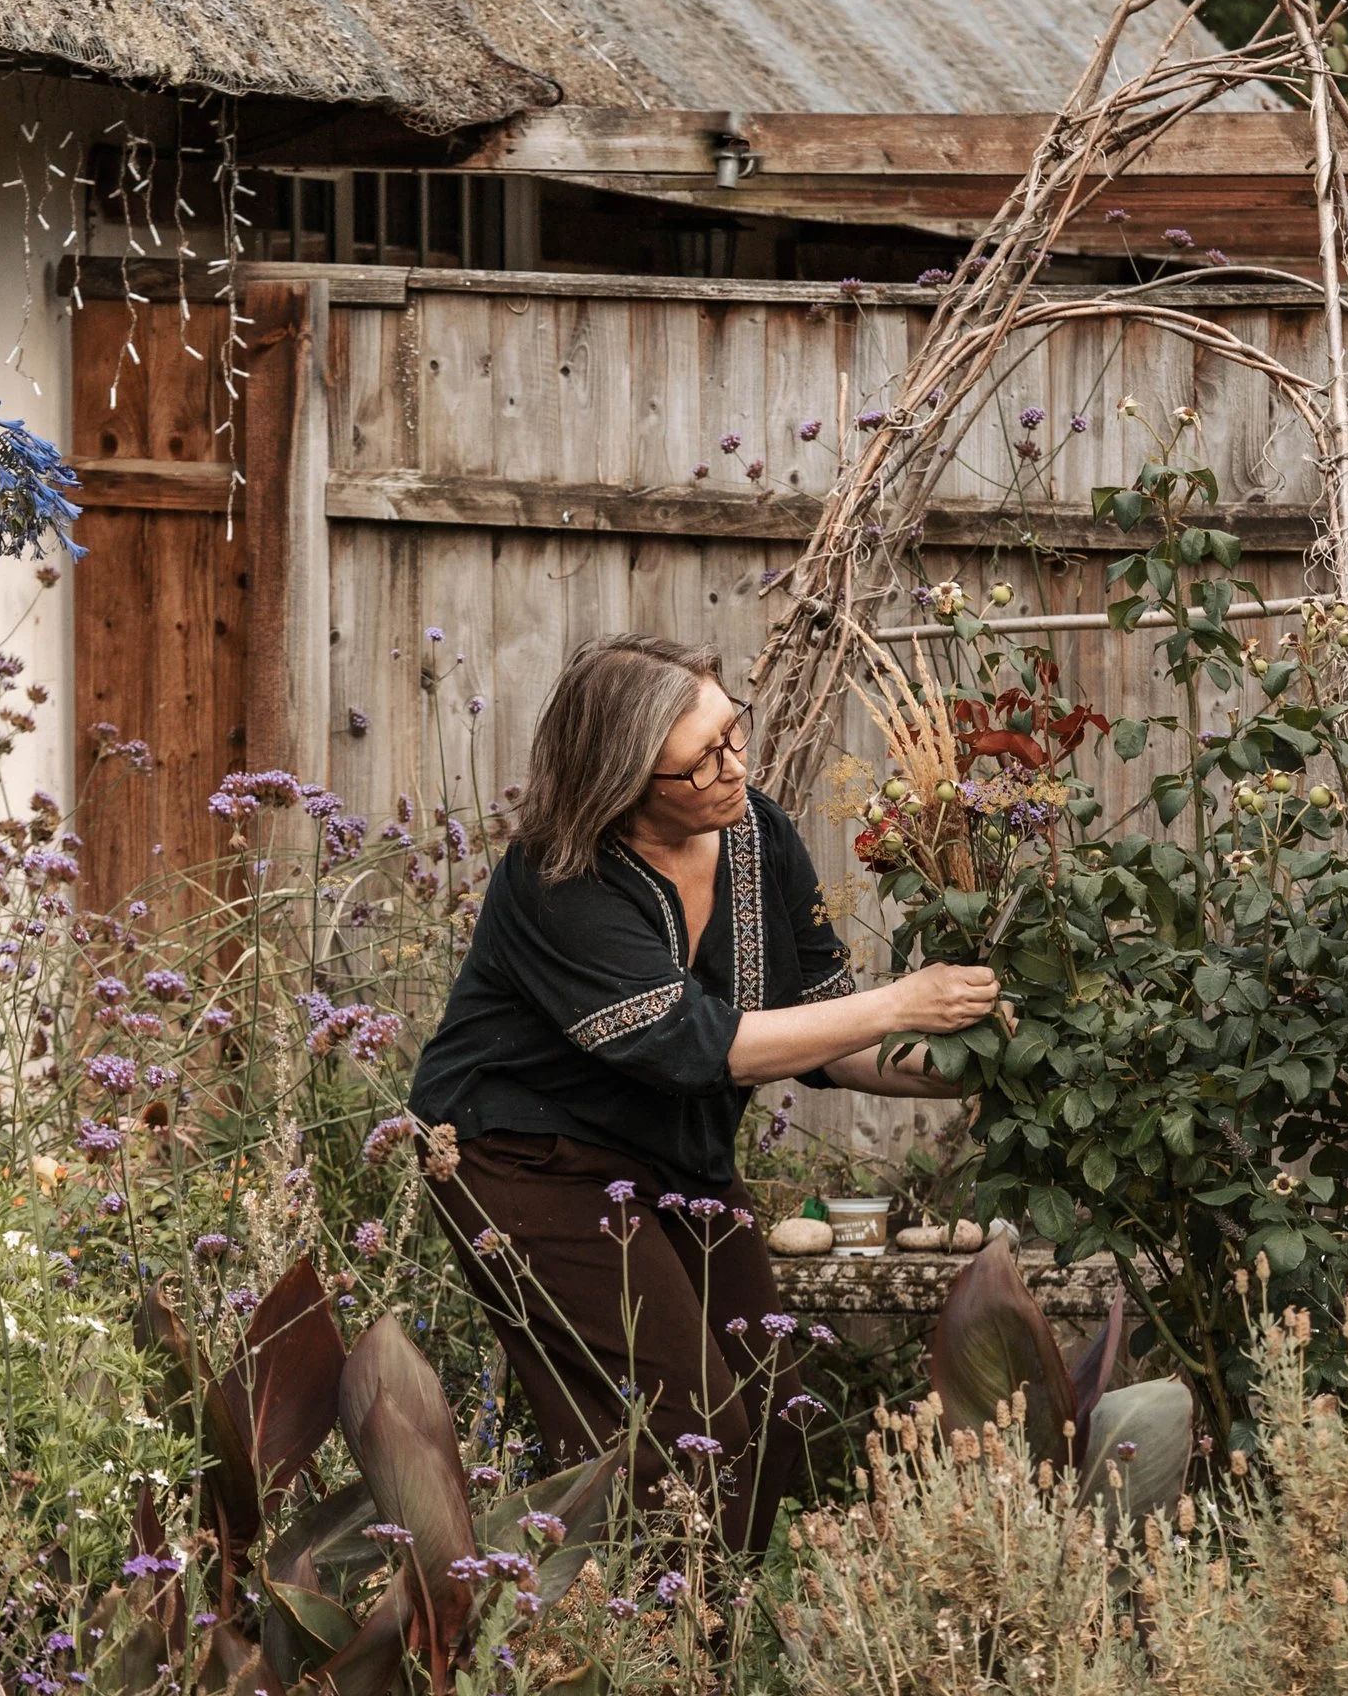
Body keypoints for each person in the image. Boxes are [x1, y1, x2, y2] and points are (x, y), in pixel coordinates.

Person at [407, 635, 999, 1549]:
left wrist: (977, 1060)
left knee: (777, 1411)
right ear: (624, 785)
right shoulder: (560, 876)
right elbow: (689, 1045)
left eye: (734, 734)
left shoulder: (756, 834)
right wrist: (903, 1000)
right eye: (703, 761)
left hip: (677, 1159)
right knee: (680, 1433)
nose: (735, 768)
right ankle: (636, 1658)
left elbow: (828, 1033)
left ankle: (699, 1643)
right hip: (525, 1160)